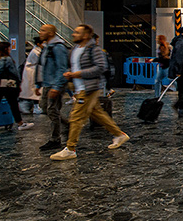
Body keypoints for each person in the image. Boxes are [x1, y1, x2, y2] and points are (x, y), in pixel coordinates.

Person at [50, 24, 130, 160]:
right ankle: (119, 134)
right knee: (97, 114)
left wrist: (78, 74)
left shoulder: (94, 50)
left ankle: (70, 148)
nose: (73, 34)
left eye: (77, 32)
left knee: (75, 117)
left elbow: (100, 67)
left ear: (86, 35)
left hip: (89, 88)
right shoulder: (75, 49)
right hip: (79, 88)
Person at [0, 42, 35, 136]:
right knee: (13, 105)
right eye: (9, 48)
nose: (10, 50)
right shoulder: (7, 59)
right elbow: (14, 72)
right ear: (6, 49)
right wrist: (19, 82)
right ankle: (20, 123)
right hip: (8, 86)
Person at [36, 24, 69, 151]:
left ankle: (55, 139)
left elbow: (62, 68)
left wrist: (56, 87)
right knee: (46, 108)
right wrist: (38, 83)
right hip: (47, 83)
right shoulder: (47, 47)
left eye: (43, 30)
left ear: (51, 33)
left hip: (54, 84)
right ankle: (67, 124)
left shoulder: (58, 47)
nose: (40, 32)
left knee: (52, 110)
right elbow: (41, 66)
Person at [18, 37, 43, 114]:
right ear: (38, 44)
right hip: (31, 72)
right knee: (33, 91)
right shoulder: (36, 52)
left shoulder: (37, 50)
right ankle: (34, 107)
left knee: (33, 91)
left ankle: (34, 106)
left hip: (34, 71)